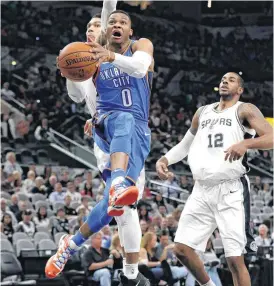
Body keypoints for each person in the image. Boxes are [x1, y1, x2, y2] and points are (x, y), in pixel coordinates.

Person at [46, 6, 152, 286]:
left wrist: (109, 54)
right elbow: (77, 95)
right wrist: (67, 69)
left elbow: (140, 67)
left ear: (129, 29)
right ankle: (118, 183)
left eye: (100, 25)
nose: (102, 27)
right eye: (105, 23)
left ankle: (72, 244)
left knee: (119, 208)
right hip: (107, 125)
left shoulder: (136, 47)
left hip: (135, 133)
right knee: (123, 120)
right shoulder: (91, 59)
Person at [156, 72, 274, 286]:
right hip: (201, 190)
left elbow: (271, 137)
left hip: (230, 190)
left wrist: (245, 144)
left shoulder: (244, 110)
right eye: (222, 79)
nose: (224, 82)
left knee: (234, 259)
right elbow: (185, 144)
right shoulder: (203, 112)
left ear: (240, 90)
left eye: (231, 80)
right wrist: (164, 159)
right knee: (181, 249)